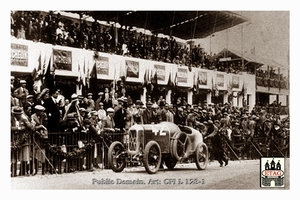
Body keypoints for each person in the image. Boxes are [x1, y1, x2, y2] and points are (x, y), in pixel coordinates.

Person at [11, 107, 35, 176]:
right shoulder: (11, 119)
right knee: (14, 157)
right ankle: (13, 172)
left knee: (24, 156)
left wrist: (32, 123)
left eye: (18, 114)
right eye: (15, 114)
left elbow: (30, 127)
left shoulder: (24, 118)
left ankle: (22, 171)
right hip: (14, 140)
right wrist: (19, 128)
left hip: (23, 140)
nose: (17, 116)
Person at [31, 105, 48, 175]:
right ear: (37, 111)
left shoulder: (44, 117)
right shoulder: (33, 117)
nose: (42, 112)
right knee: (35, 154)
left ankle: (43, 170)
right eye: (40, 111)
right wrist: (39, 128)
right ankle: (35, 169)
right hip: (36, 136)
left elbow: (46, 125)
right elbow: (33, 127)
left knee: (43, 153)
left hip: (43, 136)